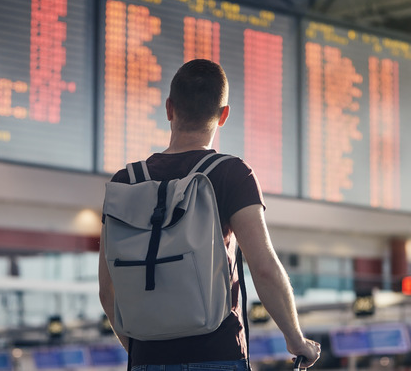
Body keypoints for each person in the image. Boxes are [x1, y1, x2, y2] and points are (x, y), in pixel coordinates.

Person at [99, 59, 321, 370]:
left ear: (169, 108)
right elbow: (264, 268)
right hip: (217, 352)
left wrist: (141, 350)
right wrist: (296, 341)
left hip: (146, 359)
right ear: (224, 115)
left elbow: (107, 289)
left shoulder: (125, 182)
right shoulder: (231, 174)